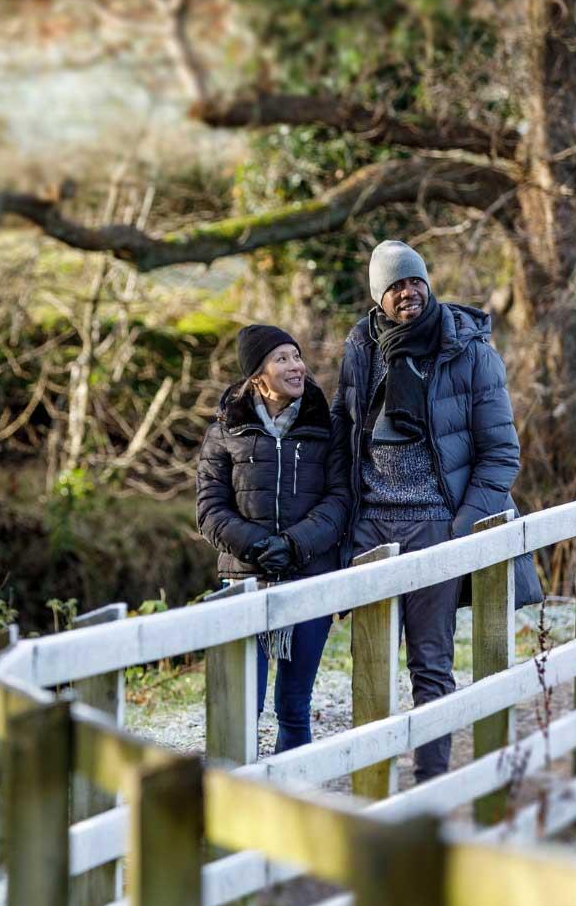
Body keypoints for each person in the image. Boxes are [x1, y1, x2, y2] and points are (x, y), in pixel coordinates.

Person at [334, 240, 542, 782]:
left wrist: (459, 530)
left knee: (430, 665)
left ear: (428, 283)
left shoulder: (468, 349)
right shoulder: (361, 346)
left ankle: (431, 788)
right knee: (370, 671)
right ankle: (374, 793)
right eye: (395, 286)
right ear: (379, 296)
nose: (407, 293)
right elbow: (342, 434)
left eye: (414, 281)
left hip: (435, 525)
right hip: (370, 531)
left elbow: (501, 454)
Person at [195, 324, 352, 754]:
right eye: (281, 358)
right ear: (257, 375)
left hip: (310, 582)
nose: (296, 366)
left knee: (294, 707)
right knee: (244, 706)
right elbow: (209, 510)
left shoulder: (327, 426)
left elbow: (340, 500)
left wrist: (295, 545)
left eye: (296, 356)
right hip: (245, 583)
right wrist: (259, 547)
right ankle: (240, 808)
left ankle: (294, 802)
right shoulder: (225, 430)